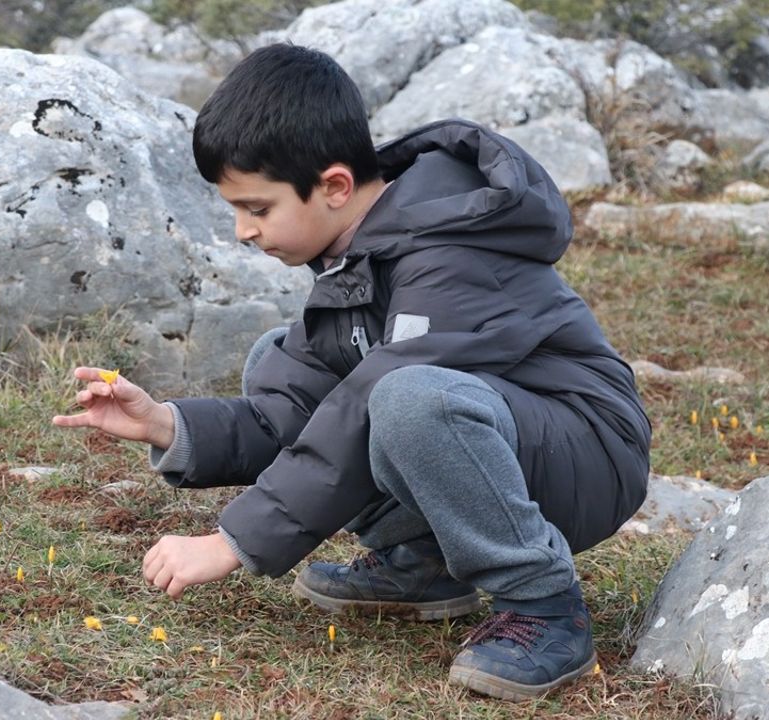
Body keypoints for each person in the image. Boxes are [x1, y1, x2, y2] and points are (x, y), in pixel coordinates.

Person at [52, 43, 651, 701]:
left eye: (257, 208)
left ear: (334, 186)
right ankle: (423, 567)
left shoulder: (450, 252)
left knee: (407, 398)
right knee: (275, 358)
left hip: (586, 453)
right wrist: (166, 424)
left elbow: (368, 405)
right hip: (503, 440)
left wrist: (233, 540)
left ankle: (546, 609)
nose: (242, 231)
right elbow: (289, 413)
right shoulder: (356, 260)